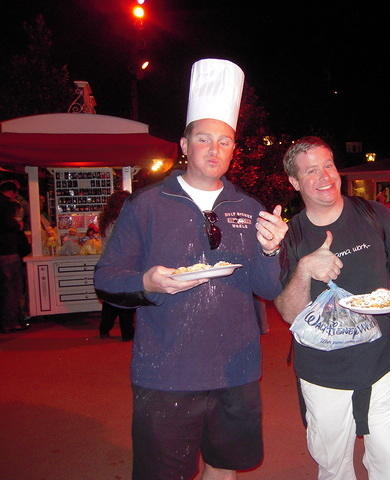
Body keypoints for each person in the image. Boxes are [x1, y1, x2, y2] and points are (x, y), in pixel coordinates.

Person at [94, 59, 288, 480]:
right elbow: (107, 278)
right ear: (185, 145)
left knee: (224, 468)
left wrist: (272, 251)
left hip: (235, 370)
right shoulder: (146, 205)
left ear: (234, 150)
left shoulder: (247, 208)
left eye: (225, 141)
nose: (215, 150)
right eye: (204, 139)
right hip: (167, 372)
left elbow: (268, 289)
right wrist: (147, 282)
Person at [274, 136, 390, 480]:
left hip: (383, 363)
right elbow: (289, 313)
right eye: (311, 171)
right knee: (334, 470)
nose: (324, 177)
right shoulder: (290, 236)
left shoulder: (373, 214)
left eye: (329, 166)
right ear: (294, 182)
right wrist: (305, 268)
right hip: (322, 374)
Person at [97, 190, 134, 341]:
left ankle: (104, 328)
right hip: (123, 263)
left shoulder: (108, 221)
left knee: (111, 300)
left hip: (109, 263)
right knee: (125, 299)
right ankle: (127, 333)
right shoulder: (123, 222)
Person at [0, 181, 31, 333]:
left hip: (4, 251)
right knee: (12, 288)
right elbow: (10, 225)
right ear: (12, 192)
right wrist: (17, 225)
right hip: (8, 251)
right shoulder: (7, 205)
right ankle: (12, 322)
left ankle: (8, 320)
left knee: (6, 288)